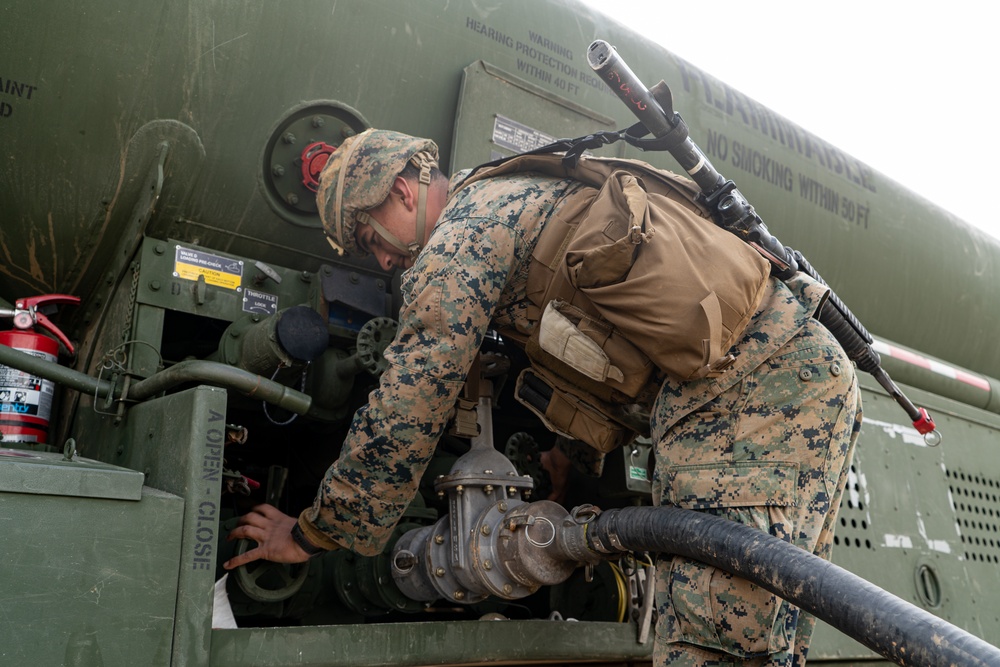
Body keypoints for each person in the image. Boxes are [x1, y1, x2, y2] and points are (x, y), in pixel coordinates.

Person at [224, 128, 862, 667]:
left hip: (745, 400)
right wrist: (570, 455)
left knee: (709, 644)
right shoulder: (508, 198)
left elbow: (407, 406)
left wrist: (312, 534)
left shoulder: (459, 238)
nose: (383, 263)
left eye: (368, 238)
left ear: (400, 191)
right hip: (795, 376)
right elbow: (601, 338)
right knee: (767, 636)